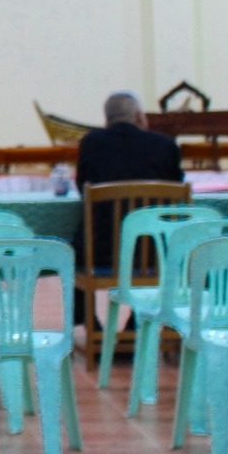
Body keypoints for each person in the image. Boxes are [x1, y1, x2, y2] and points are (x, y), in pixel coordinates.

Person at [71, 90, 183, 330]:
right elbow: (175, 195)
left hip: (101, 253)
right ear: (140, 116)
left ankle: (88, 320)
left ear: (106, 119)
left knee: (72, 247)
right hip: (152, 253)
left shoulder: (91, 143)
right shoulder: (165, 145)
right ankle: (137, 319)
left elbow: (83, 188)